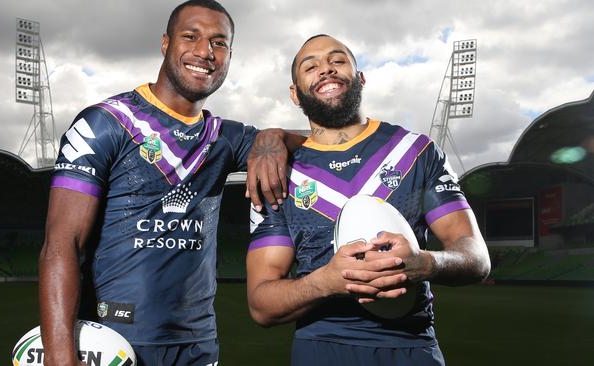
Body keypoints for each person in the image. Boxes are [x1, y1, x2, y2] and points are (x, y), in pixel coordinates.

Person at [38, 1, 301, 365]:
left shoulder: (225, 137)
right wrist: (59, 355)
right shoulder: (106, 123)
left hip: (198, 346)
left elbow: (318, 148)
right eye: (190, 36)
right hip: (114, 342)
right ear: (165, 43)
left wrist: (275, 136)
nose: (205, 52)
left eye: (218, 42)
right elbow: (61, 243)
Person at [246, 34, 491, 366]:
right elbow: (261, 304)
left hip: (412, 345)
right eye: (311, 66)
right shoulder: (277, 171)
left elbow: (476, 257)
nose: (326, 70)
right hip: (322, 347)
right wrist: (326, 282)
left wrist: (425, 263)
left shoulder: (416, 152)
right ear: (295, 93)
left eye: (338, 60)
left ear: (360, 77)